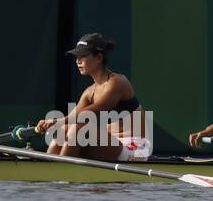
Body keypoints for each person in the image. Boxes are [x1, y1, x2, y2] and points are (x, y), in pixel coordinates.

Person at [34, 33, 151, 162]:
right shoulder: (89, 92)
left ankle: (61, 173)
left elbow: (86, 114)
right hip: (114, 145)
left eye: (83, 56)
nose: (78, 60)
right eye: (77, 56)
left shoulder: (118, 82)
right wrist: (50, 124)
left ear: (99, 58)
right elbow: (72, 117)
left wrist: (54, 122)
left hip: (137, 148)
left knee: (78, 127)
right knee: (64, 130)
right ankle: (50, 171)